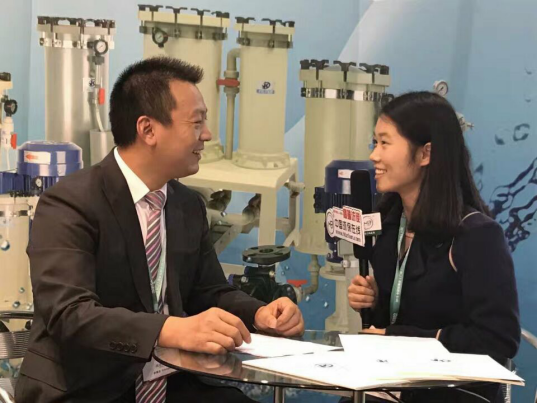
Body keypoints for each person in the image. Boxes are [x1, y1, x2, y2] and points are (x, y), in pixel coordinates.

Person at [15, 57, 304, 403]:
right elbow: (70, 315)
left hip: (172, 385)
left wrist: (259, 313)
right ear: (148, 130)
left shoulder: (187, 205)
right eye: (196, 122)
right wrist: (169, 329)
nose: (207, 135)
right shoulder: (69, 203)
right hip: (87, 388)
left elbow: (208, 291)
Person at [347, 92, 520, 402]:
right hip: (389, 385)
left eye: (385, 143)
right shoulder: (387, 223)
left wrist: (398, 339)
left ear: (425, 154)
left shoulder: (477, 235)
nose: (374, 155)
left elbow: (498, 339)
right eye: (374, 142)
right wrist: (373, 302)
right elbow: (400, 314)